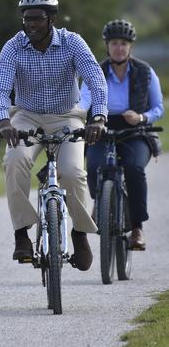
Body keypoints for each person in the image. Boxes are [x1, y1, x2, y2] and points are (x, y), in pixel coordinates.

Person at [0, 0, 108, 271]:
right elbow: (0, 87)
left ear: (51, 19)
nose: (30, 25)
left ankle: (79, 234)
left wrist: (99, 117)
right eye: (26, 19)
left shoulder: (72, 43)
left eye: (37, 19)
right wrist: (3, 120)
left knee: (72, 172)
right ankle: (21, 234)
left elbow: (96, 80)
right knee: (14, 160)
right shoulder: (13, 47)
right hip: (26, 116)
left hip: (67, 116)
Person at [80, 19, 164, 250]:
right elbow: (85, 98)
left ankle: (137, 227)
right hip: (101, 126)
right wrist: (80, 112)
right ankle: (101, 201)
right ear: (107, 46)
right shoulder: (95, 72)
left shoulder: (146, 72)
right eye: (114, 43)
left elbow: (158, 108)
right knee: (95, 166)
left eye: (124, 43)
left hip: (136, 130)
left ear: (131, 47)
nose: (119, 47)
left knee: (134, 168)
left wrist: (141, 118)